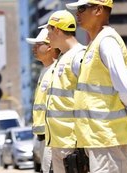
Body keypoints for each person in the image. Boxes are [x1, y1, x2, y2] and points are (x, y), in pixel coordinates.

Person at [65, 1, 127, 172]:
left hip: (107, 137)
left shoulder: (107, 41)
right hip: (99, 137)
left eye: (82, 8)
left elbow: (125, 84)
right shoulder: (95, 43)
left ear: (98, 10)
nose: (77, 13)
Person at [39, 10, 86, 173]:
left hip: (72, 143)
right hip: (58, 142)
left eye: (49, 31)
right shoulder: (62, 58)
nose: (47, 36)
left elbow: (86, 98)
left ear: (57, 30)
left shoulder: (79, 57)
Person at [26, 28, 60, 173]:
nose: (34, 48)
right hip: (45, 138)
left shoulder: (58, 69)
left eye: (38, 44)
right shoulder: (45, 70)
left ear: (50, 46)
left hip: (54, 137)